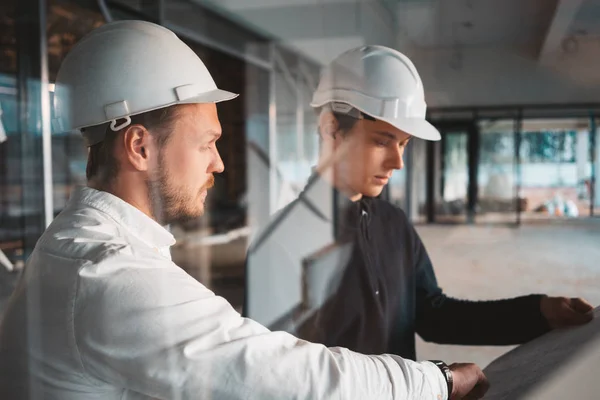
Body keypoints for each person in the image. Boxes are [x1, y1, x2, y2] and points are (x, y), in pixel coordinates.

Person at [0, 21, 488, 400]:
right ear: (140, 147)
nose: (220, 162)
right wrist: (436, 382)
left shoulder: (83, 248)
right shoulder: (108, 275)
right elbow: (288, 376)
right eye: (208, 142)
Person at [245, 45, 594, 360]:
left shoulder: (393, 223)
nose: (397, 162)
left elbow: (434, 316)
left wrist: (537, 312)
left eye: (404, 144)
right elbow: (274, 375)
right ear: (332, 129)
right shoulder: (280, 244)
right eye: (383, 141)